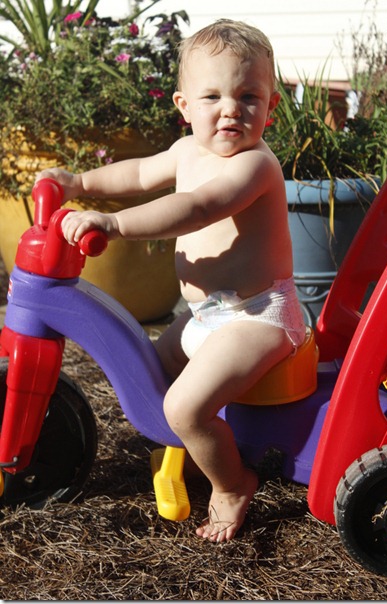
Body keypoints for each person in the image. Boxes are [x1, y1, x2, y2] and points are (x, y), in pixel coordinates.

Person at [36, 19, 306, 543]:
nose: (231, 109)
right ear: (184, 106)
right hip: (206, 316)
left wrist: (114, 224)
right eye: (213, 96)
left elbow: (198, 207)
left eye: (248, 97)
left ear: (271, 106)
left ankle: (233, 484)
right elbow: (138, 174)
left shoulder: (254, 166)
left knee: (182, 405)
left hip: (257, 316)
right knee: (149, 372)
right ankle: (193, 443)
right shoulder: (186, 152)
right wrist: (78, 182)